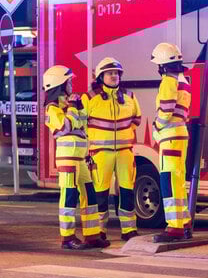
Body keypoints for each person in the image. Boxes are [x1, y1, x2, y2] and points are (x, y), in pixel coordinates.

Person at [43, 65, 109, 250]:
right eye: (68, 81)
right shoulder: (52, 108)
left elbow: (81, 122)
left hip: (80, 158)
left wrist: (75, 107)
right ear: (59, 84)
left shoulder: (67, 105)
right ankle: (67, 238)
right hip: (67, 158)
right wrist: (73, 108)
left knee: (89, 196)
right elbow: (65, 127)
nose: (71, 84)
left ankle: (92, 235)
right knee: (69, 197)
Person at [84, 57, 142, 241]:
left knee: (127, 191)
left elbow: (137, 119)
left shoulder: (129, 96)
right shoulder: (89, 97)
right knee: (100, 193)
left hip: (125, 151)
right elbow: (81, 121)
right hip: (101, 153)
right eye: (110, 73)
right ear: (101, 76)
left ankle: (129, 230)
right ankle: (100, 230)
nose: (114, 76)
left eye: (116, 73)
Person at [150, 43, 193, 242]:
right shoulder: (184, 80)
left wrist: (156, 127)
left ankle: (174, 227)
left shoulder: (168, 80)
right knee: (178, 180)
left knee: (169, 180)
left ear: (162, 65)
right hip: (180, 134)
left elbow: (166, 110)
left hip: (170, 136)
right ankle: (183, 222)